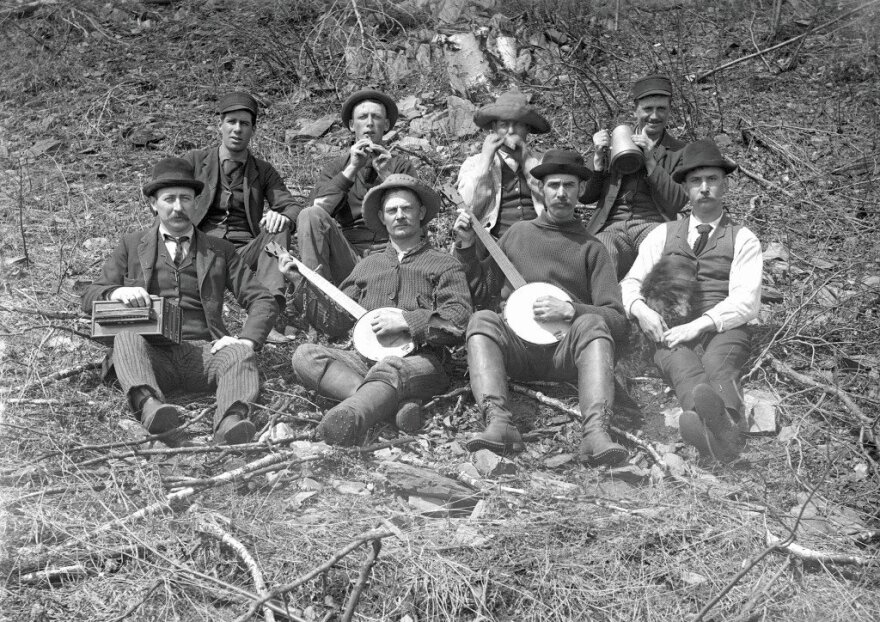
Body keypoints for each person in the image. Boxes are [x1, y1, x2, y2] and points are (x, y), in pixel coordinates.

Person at [82, 158, 278, 445]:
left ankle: (229, 423)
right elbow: (90, 295)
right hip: (152, 356)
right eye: (169, 199)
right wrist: (115, 293)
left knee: (241, 354)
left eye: (185, 198)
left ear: (196, 203)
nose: (178, 207)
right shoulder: (132, 244)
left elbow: (262, 298)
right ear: (153, 204)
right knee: (126, 337)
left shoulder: (220, 250)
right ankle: (152, 409)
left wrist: (246, 340)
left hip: (205, 354)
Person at [453, 150, 630, 466]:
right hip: (517, 350)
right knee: (482, 319)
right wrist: (466, 248)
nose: (561, 193)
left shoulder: (593, 248)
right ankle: (498, 422)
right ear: (542, 190)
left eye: (569, 186)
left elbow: (617, 319)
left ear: (579, 192)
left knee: (593, 324)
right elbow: (481, 292)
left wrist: (571, 310)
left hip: (565, 356)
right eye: (553, 185)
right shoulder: (518, 234)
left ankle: (595, 434)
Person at [281, 174, 472, 446]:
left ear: (422, 213)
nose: (400, 215)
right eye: (392, 210)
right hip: (362, 360)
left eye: (407, 208)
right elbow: (335, 321)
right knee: (305, 355)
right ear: (382, 218)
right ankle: (390, 405)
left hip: (421, 361)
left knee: (392, 367)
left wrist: (407, 322)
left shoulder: (445, 264)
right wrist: (298, 281)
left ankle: (354, 415)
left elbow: (458, 320)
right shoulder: (367, 266)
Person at [620, 139, 763, 462]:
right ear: (685, 188)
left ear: (724, 185)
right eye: (696, 181)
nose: (705, 188)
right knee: (682, 366)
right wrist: (642, 311)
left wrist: (700, 325)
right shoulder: (663, 233)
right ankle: (718, 431)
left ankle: (719, 424)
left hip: (723, 327)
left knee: (718, 365)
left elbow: (746, 301)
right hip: (671, 328)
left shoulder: (743, 238)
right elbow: (629, 283)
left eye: (712, 179)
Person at [183, 91, 301, 343]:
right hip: (200, 247)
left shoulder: (262, 170)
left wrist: (282, 217)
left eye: (244, 124)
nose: (237, 129)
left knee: (278, 229)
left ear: (253, 130)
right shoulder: (195, 161)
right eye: (232, 122)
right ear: (220, 126)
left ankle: (267, 316)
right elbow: (165, 192)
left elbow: (291, 207)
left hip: (243, 252)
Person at [295, 89, 416, 288]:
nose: (369, 123)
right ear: (352, 125)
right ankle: (317, 298)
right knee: (309, 215)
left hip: (393, 254)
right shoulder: (337, 167)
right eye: (362, 117)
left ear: (385, 125)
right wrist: (352, 168)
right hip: (348, 256)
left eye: (376, 117)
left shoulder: (402, 166)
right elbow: (316, 211)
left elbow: (417, 216)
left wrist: (387, 176)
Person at [582, 75, 689, 280]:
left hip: (654, 225)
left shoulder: (679, 151)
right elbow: (585, 196)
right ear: (635, 110)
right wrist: (598, 158)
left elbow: (677, 201)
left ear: (669, 111)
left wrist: (650, 161)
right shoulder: (617, 143)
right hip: (611, 227)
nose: (654, 116)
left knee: (660, 253)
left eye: (661, 109)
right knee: (603, 252)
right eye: (648, 109)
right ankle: (606, 310)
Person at [456, 90, 550, 242]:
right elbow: (466, 205)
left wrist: (527, 162)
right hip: (495, 244)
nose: (511, 131)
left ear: (527, 128)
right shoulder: (474, 163)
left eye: (518, 124)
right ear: (494, 127)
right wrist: (485, 161)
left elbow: (556, 203)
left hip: (540, 241)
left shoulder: (543, 161)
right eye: (504, 124)